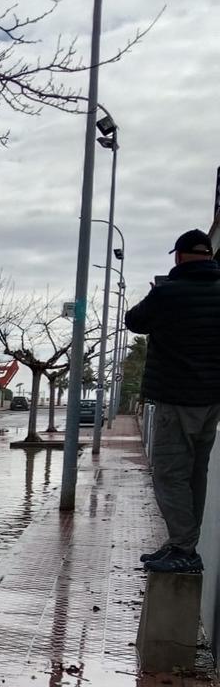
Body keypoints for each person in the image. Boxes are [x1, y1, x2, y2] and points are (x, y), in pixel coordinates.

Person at [125, 228, 220, 573]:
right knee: (195, 473)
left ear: (179, 258)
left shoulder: (167, 293)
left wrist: (156, 292)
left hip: (176, 398)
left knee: (169, 474)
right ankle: (183, 543)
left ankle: (183, 547)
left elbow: (134, 321)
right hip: (211, 401)